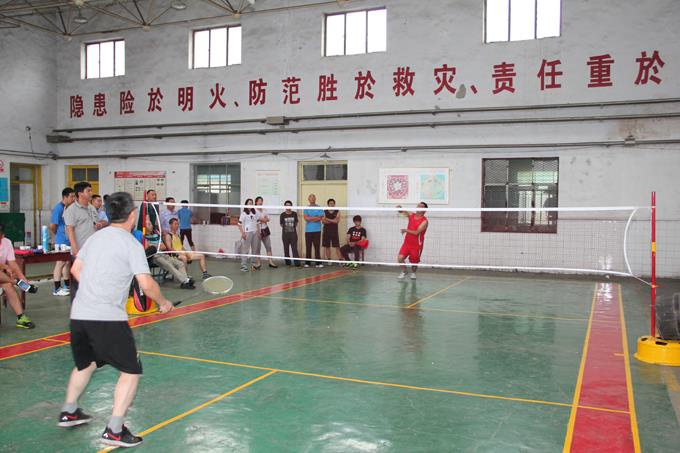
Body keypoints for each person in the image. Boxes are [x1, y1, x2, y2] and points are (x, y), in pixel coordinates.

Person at [57, 192, 174, 448]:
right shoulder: (131, 244)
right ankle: (115, 429)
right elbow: (146, 284)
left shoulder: (95, 237)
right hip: (107, 318)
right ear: (132, 215)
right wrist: (163, 302)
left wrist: (95, 288)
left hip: (79, 314)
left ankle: (69, 411)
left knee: (86, 364)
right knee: (131, 370)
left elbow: (76, 269)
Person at [64, 181, 99, 302]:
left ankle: (91, 303)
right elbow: (70, 230)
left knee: (92, 278)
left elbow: (94, 224)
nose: (91, 193)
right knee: (77, 280)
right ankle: (76, 304)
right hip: (79, 251)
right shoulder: (71, 210)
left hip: (93, 251)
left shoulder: (91, 208)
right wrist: (75, 250)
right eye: (88, 191)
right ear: (80, 194)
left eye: (91, 190)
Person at [0, 224, 37, 328]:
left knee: (8, 286)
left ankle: (21, 318)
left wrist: (22, 278)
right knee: (10, 281)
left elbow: (12, 263)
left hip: (2, 277)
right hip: (3, 274)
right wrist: (5, 266)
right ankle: (16, 282)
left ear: (2, 235)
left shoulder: (7, 243)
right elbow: (7, 266)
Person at [50, 187, 75, 296]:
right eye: (71, 197)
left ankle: (66, 286)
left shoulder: (67, 208)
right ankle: (56, 288)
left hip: (67, 240)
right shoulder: (58, 208)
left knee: (66, 263)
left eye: (74, 196)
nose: (73, 199)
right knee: (60, 263)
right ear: (65, 197)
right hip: (61, 241)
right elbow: (52, 225)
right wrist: (59, 235)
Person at [397, 202, 429, 280]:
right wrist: (399, 208)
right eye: (418, 205)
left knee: (414, 262)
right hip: (407, 243)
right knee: (400, 258)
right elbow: (402, 211)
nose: (419, 207)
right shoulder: (411, 215)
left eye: (421, 206)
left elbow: (416, 233)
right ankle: (404, 271)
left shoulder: (424, 221)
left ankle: (413, 273)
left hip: (417, 245)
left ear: (424, 210)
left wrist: (406, 230)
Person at [254, 196, 277, 269]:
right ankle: (258, 263)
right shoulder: (254, 210)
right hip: (257, 231)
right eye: (259, 201)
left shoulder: (264, 210)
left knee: (268, 246)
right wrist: (263, 219)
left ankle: (270, 262)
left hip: (265, 230)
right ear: (256, 202)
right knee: (257, 248)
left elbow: (268, 219)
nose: (261, 202)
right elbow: (256, 220)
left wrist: (262, 219)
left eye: (262, 201)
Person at [238, 199, 259, 272]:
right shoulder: (243, 214)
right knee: (245, 250)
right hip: (247, 233)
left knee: (254, 249)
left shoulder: (255, 213)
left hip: (255, 232)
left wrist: (258, 232)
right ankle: (243, 266)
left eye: (251, 203)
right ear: (246, 204)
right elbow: (239, 224)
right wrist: (243, 233)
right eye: (249, 203)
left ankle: (254, 265)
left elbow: (258, 223)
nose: (250, 204)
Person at [303, 194, 324, 268]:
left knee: (317, 247)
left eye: (313, 197)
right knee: (308, 247)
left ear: (315, 199)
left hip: (317, 230)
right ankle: (307, 263)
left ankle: (318, 263)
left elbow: (320, 217)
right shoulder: (306, 208)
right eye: (310, 198)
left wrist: (311, 218)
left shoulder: (319, 208)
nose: (312, 199)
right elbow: (306, 218)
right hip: (308, 231)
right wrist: (315, 217)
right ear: (308, 199)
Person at [279, 200, 300, 266]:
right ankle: (288, 263)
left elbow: (296, 223)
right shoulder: (282, 215)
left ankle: (297, 263)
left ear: (291, 206)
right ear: (285, 206)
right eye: (287, 205)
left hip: (293, 234)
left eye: (289, 205)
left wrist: (291, 228)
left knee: (294, 249)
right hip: (285, 235)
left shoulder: (294, 214)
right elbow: (281, 224)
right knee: (286, 249)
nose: (288, 206)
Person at [322, 198, 342, 263]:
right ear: (328, 204)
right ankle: (329, 260)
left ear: (334, 204)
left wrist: (327, 219)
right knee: (327, 246)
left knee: (337, 246)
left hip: (334, 232)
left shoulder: (337, 211)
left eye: (333, 203)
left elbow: (336, 221)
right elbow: (323, 221)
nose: (332, 204)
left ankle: (340, 260)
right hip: (326, 231)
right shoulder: (324, 211)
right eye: (330, 203)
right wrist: (332, 220)